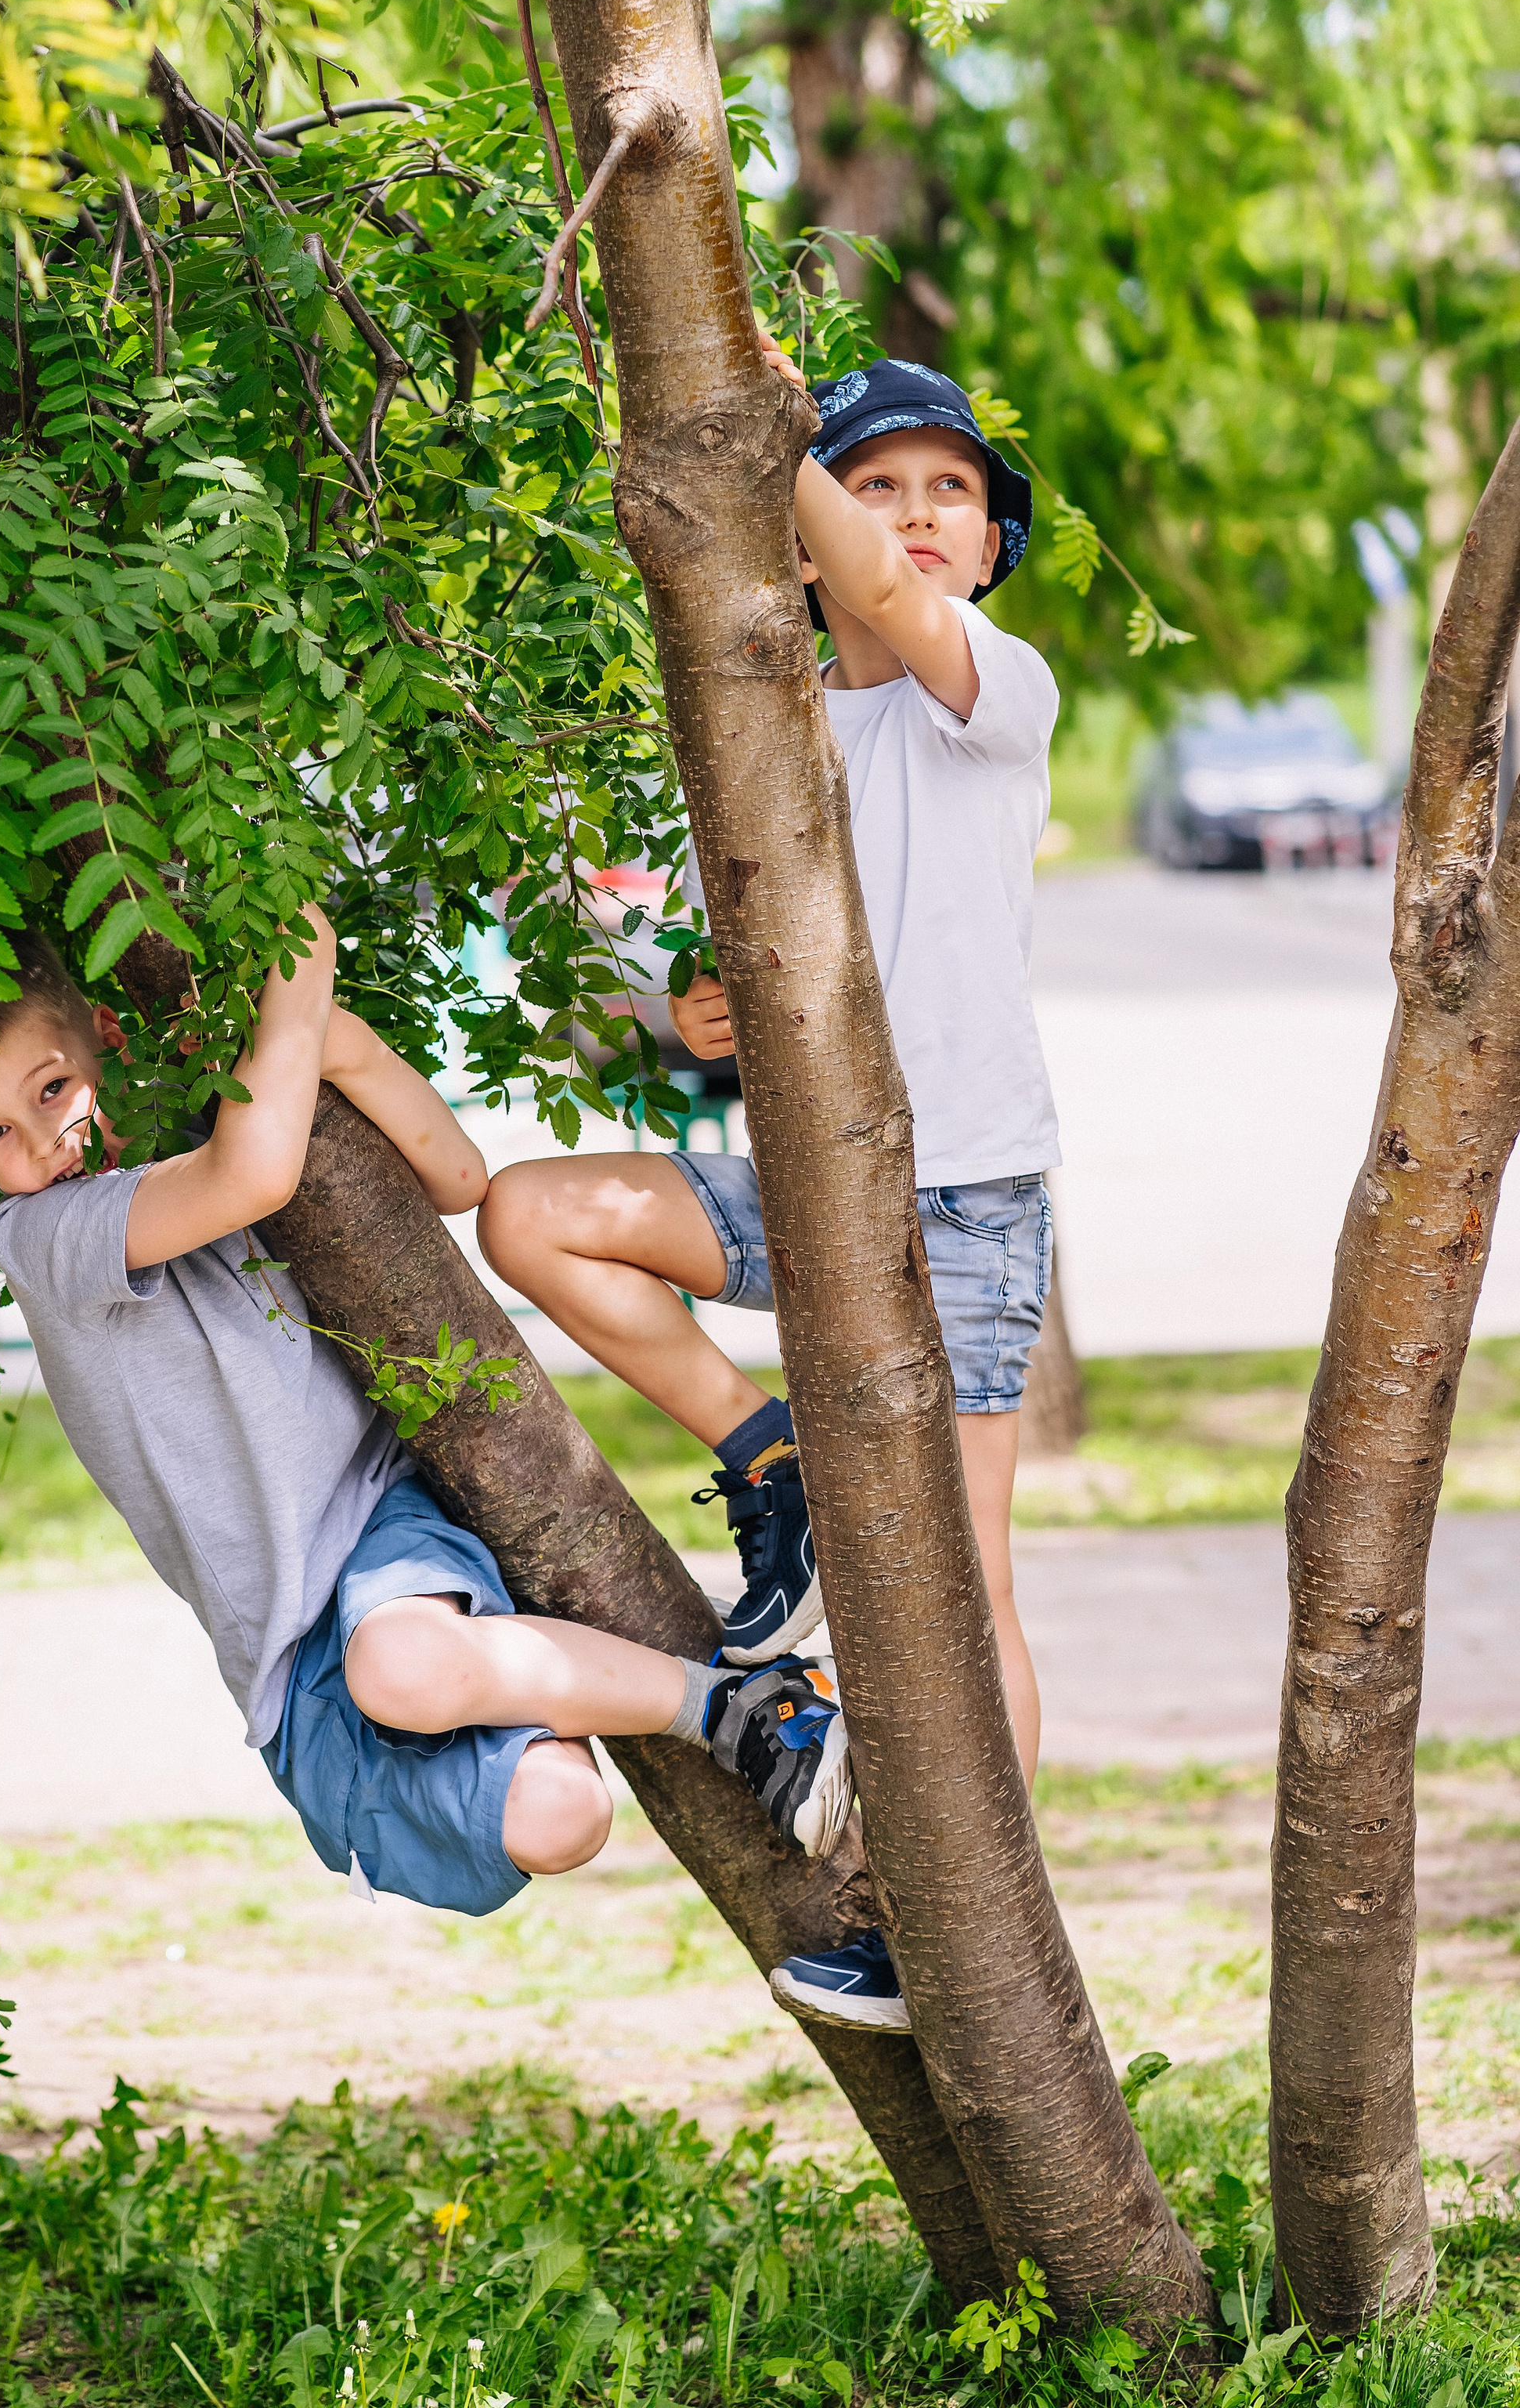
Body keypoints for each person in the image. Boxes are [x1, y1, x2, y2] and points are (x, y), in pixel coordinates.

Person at [0, 917, 857, 1929]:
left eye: (50, 1090)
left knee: (399, 1665)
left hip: (382, 1535)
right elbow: (250, 1178)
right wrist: (298, 978)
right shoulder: (40, 1233)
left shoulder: (231, 1120)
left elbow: (459, 1180)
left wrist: (328, 1032)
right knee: (565, 1816)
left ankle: (742, 1713)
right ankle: (545, 1680)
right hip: (295, 1685)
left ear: (109, 1039)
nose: (42, 1144)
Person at [477, 350, 1059, 2031]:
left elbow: (877, 587)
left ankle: (962, 1934)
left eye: (949, 488)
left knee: (962, 1594)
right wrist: (691, 1014)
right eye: (876, 487)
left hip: (956, 1196)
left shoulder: (992, 694)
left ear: (989, 548)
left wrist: (773, 426)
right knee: (533, 1217)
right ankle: (771, 1466)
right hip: (802, 1179)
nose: (915, 517)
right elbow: (720, 953)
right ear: (797, 550)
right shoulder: (767, 719)